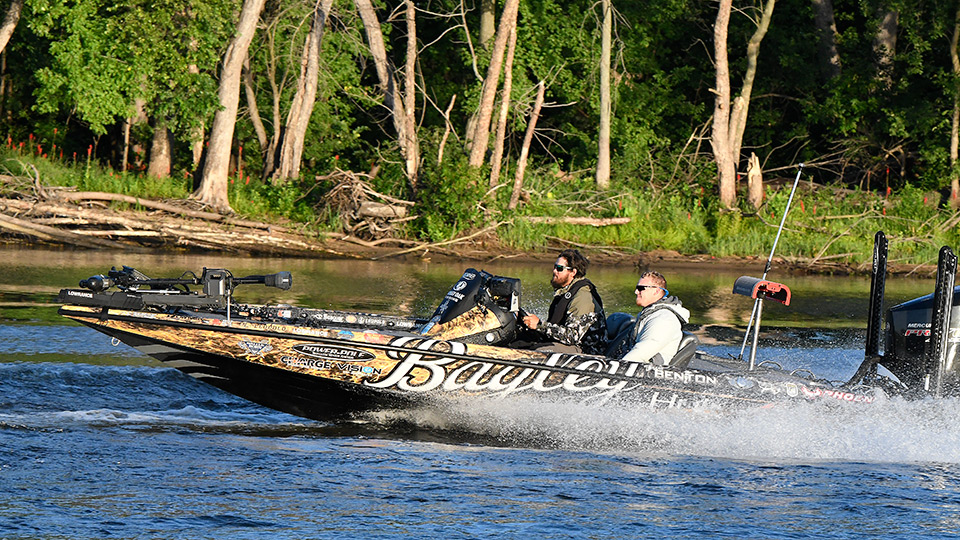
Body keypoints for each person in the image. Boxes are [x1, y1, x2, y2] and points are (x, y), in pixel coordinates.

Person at [518, 249, 607, 354]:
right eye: (554, 267)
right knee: (519, 340)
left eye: (559, 268)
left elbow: (573, 336)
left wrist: (539, 325)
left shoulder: (582, 297)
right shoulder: (565, 291)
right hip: (570, 345)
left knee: (537, 352)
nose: (554, 271)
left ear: (573, 272)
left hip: (586, 351)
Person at [615, 270, 690, 365]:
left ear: (656, 291)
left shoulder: (664, 319)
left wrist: (617, 365)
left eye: (641, 288)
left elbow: (641, 354)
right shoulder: (650, 313)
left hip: (648, 368)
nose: (636, 292)